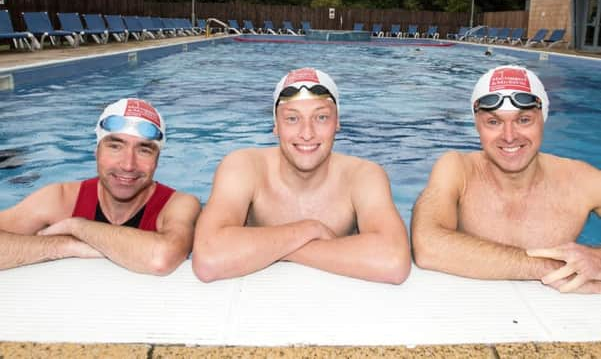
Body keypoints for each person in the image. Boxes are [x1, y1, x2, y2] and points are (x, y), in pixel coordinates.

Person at [192, 67, 411, 284]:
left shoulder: (363, 176)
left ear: (337, 123)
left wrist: (276, 249)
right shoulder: (244, 167)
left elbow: (393, 261)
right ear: (276, 125)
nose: (307, 133)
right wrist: (309, 229)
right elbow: (209, 259)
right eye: (292, 119)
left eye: (321, 117)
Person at [411, 65, 601, 294]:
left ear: (544, 119)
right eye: (493, 122)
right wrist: (544, 267)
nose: (509, 137)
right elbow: (426, 244)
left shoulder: (582, 180)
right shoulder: (457, 169)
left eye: (524, 120)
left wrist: (597, 258)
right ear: (477, 125)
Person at [0, 98, 200, 275]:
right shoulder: (59, 199)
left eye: (144, 150)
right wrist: (64, 245)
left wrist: (76, 226)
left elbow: (161, 259)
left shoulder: (178, 204)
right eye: (115, 146)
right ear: (96, 151)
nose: (128, 165)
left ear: (157, 159)